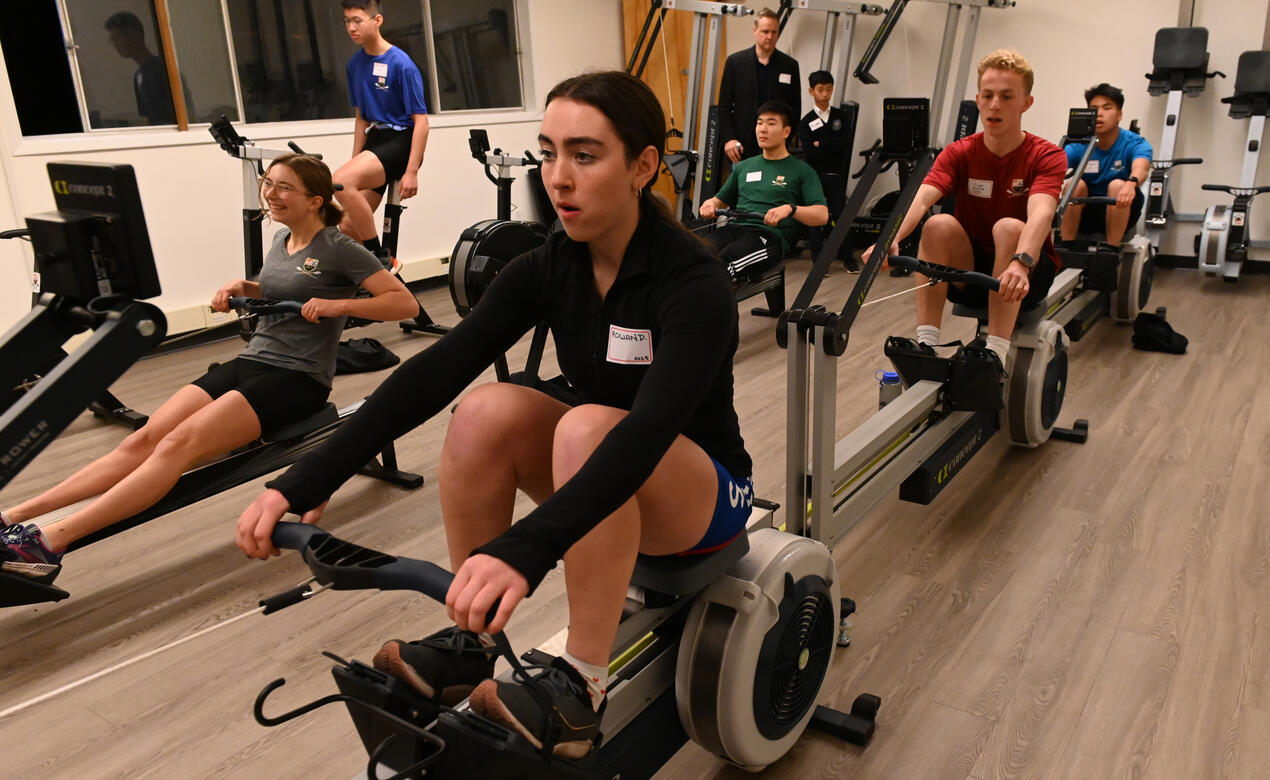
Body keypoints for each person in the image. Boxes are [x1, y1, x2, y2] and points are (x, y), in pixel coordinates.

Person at [234, 71, 754, 761]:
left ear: (643, 166)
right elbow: (435, 371)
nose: (558, 177)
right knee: (483, 407)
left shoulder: (693, 280)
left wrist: (527, 548)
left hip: (704, 494)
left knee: (586, 425)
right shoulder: (550, 265)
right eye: (548, 152)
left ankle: (581, 685)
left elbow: (647, 432)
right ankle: (471, 642)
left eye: (586, 155)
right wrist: (305, 476)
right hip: (604, 471)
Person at [0, 154, 417, 575]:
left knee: (174, 447)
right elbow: (278, 287)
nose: (271, 194)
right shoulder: (282, 240)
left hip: (297, 378)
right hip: (252, 359)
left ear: (314, 200)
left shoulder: (339, 246)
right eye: (268, 183)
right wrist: (243, 286)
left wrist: (336, 306)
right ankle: (12, 516)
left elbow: (404, 301)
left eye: (284, 187)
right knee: (140, 441)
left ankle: (51, 540)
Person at [868, 49, 1067, 370]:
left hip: (1024, 276)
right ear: (978, 99)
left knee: (1009, 227)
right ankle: (927, 345)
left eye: (1006, 96)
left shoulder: (1047, 155)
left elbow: (1042, 213)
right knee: (938, 224)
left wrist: (1020, 262)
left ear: (1026, 103)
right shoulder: (959, 153)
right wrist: (889, 238)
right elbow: (921, 199)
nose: (995, 104)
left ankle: (996, 356)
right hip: (971, 273)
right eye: (987, 95)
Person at [334, 0, 430, 267]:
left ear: (377, 21)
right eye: (347, 21)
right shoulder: (355, 64)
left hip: (401, 141)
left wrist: (412, 171)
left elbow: (421, 122)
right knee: (347, 224)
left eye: (357, 20)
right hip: (375, 142)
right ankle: (377, 272)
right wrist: (354, 161)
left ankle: (379, 255)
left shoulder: (402, 63)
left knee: (339, 182)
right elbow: (361, 118)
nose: (351, 27)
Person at [699, 101, 829, 279]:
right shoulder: (744, 166)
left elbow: (822, 215)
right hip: (734, 228)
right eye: (760, 123)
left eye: (771, 123)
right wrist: (709, 204)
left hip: (768, 236)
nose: (763, 129)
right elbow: (718, 200)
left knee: (723, 264)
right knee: (696, 256)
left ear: (786, 131)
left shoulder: (802, 170)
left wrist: (790, 208)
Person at [1059, 83, 1152, 247]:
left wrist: (1131, 184)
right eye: (1094, 108)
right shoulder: (1079, 143)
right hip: (1086, 210)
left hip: (1124, 205)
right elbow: (1056, 166)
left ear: (1119, 115)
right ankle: (1066, 249)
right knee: (1075, 185)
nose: (1099, 114)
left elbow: (1142, 166)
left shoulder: (1133, 142)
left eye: (1107, 108)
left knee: (1117, 185)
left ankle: (1110, 251)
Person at [717, 7, 801, 165]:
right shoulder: (735, 63)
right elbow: (724, 107)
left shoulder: (790, 66)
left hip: (777, 147)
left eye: (774, 32)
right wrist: (729, 139)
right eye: (765, 31)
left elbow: (795, 109)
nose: (769, 36)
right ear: (755, 31)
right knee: (743, 188)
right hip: (741, 147)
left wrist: (785, 141)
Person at [796, 70, 852, 265]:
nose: (825, 94)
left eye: (829, 90)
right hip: (815, 177)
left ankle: (847, 258)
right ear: (811, 91)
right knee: (815, 219)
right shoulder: (805, 122)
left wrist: (822, 143)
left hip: (836, 175)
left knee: (841, 216)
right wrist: (827, 144)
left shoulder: (841, 116)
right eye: (820, 90)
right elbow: (809, 151)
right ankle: (818, 262)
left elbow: (844, 143)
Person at [104, 11, 194, 126]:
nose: (115, 44)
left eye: (117, 38)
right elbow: (148, 118)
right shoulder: (139, 76)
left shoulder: (163, 69)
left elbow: (186, 112)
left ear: (134, 35)